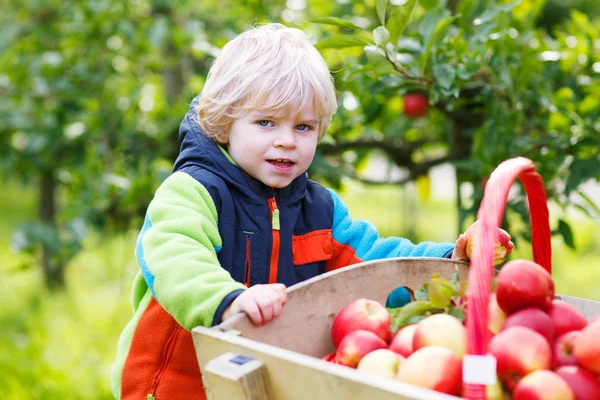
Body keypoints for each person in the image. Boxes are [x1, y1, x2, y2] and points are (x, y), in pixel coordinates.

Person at [111, 23, 513, 400]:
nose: (286, 141)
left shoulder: (318, 210)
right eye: (266, 122)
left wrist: (445, 261)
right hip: (176, 383)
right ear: (223, 123)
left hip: (265, 378)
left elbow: (374, 259)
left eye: (303, 127)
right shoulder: (193, 192)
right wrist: (227, 300)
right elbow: (174, 257)